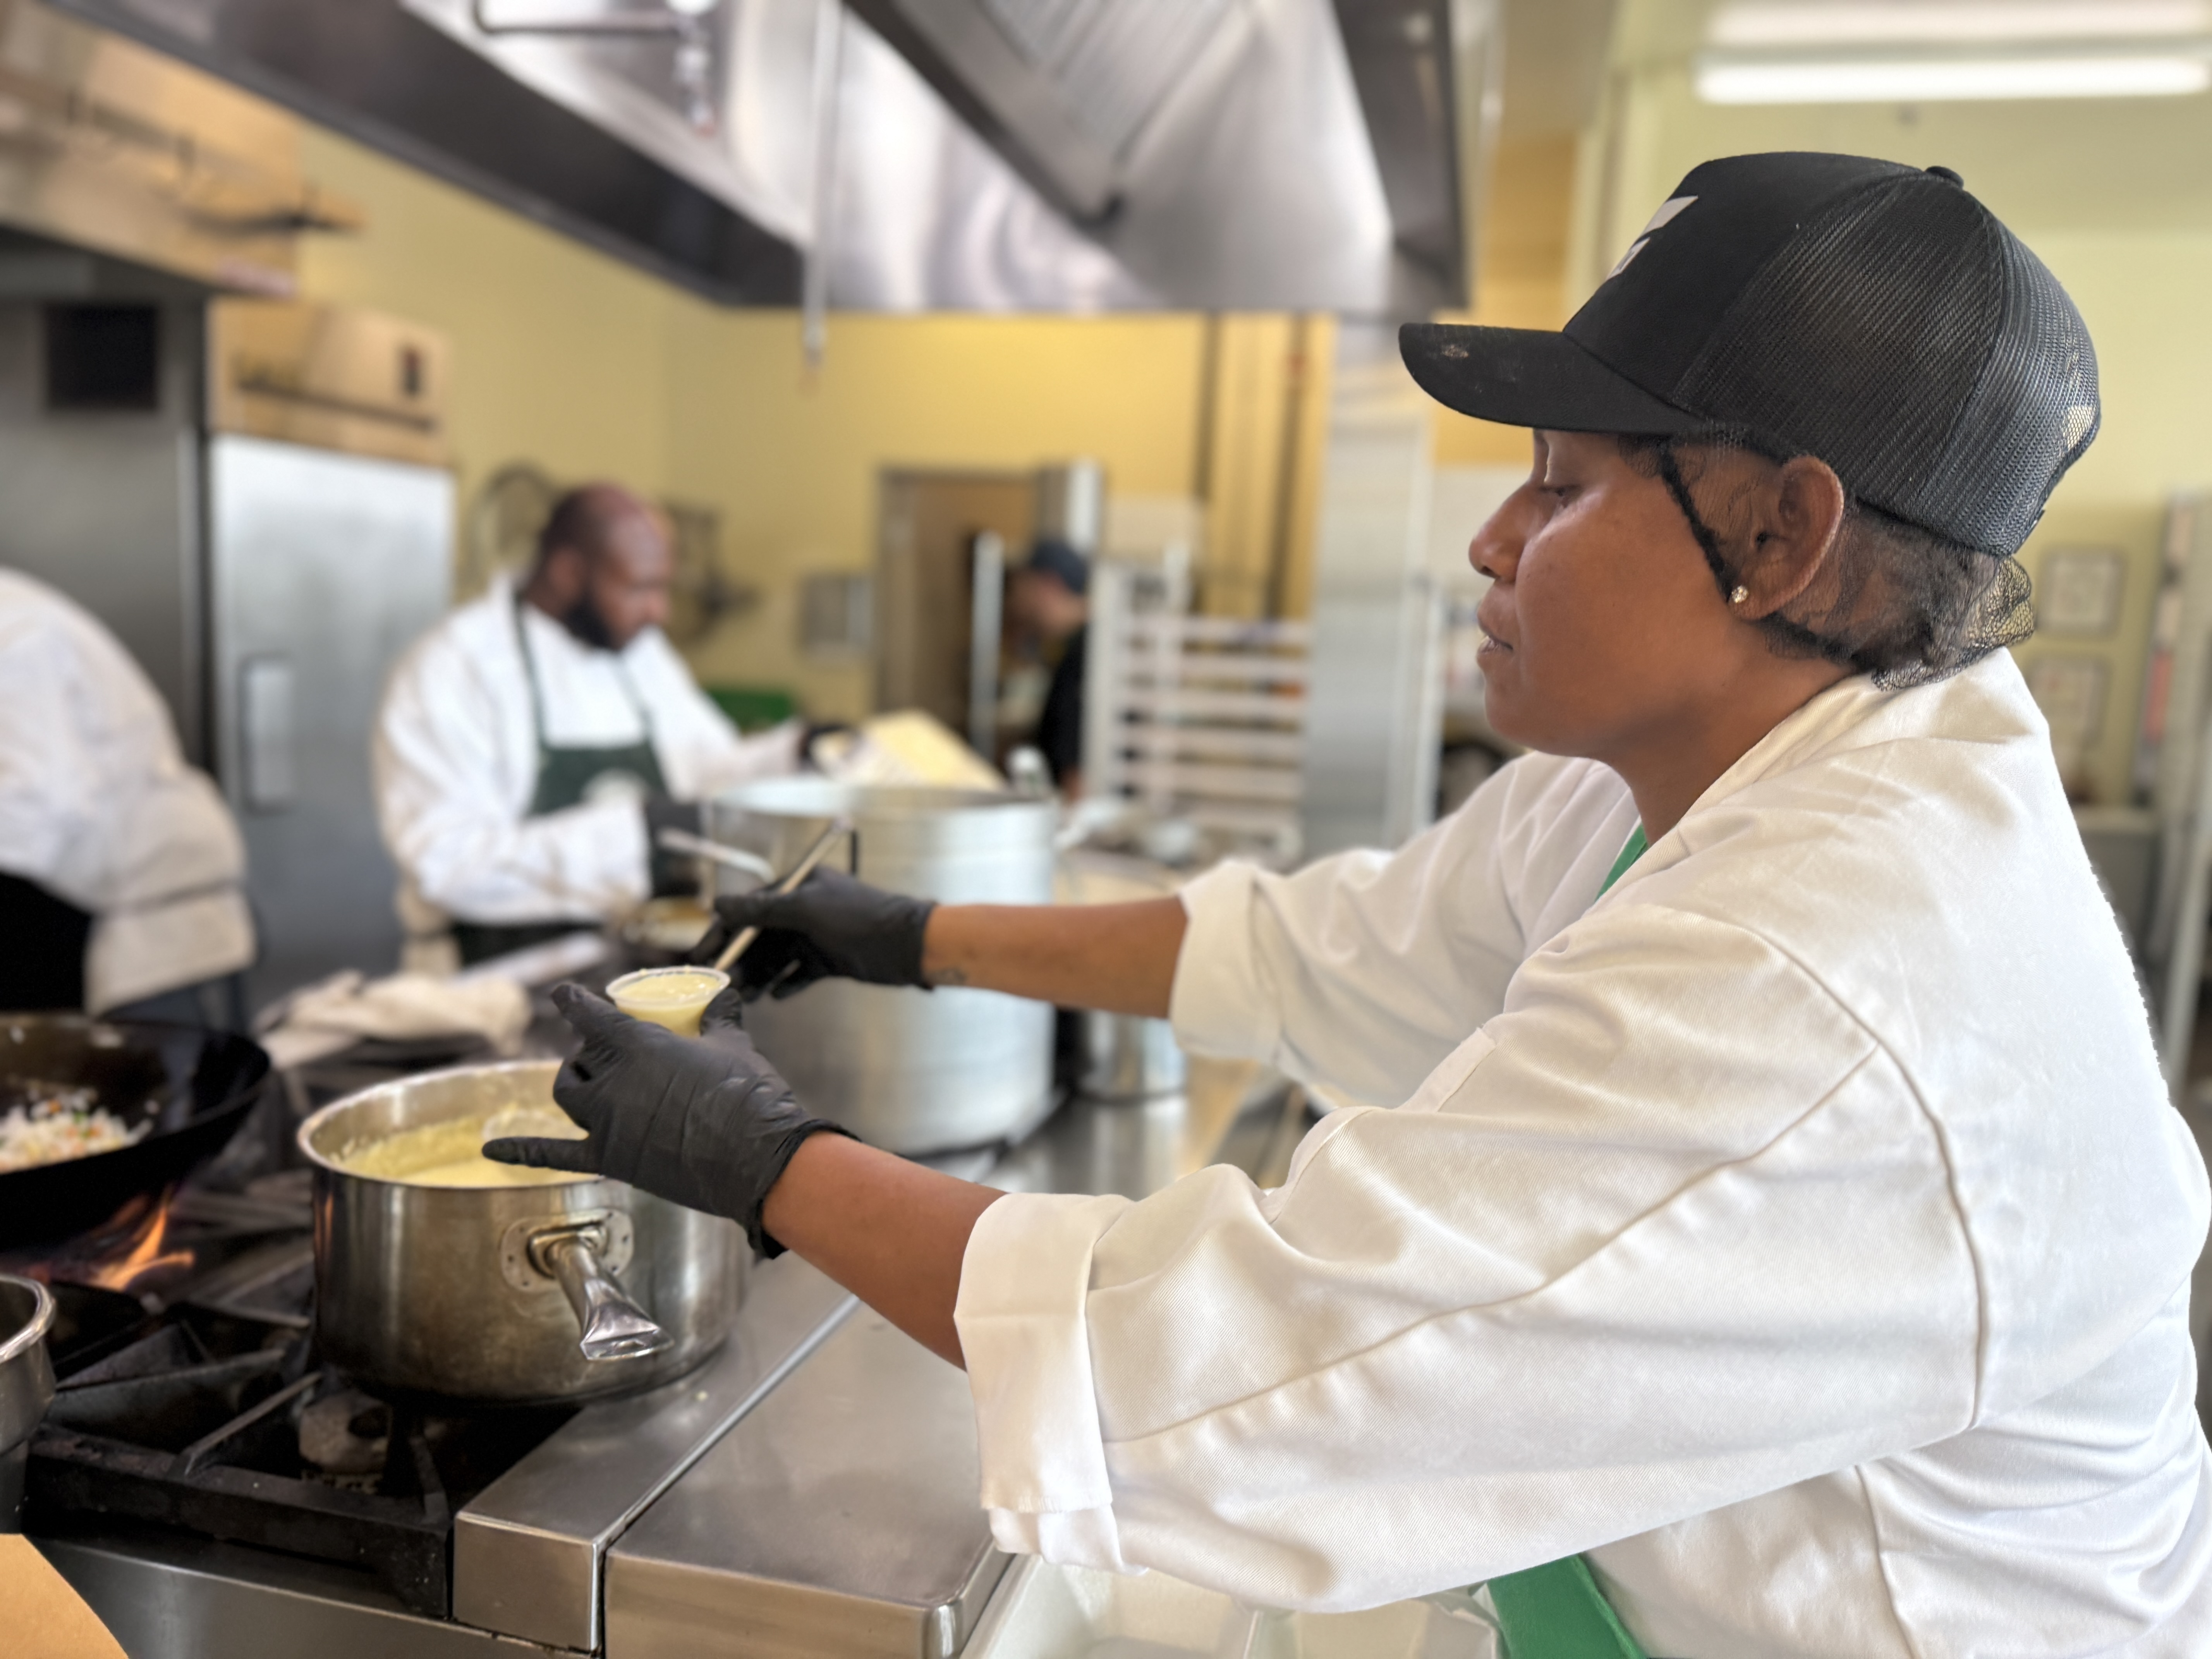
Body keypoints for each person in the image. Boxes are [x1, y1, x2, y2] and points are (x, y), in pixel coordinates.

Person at [487, 155, 2212, 1653]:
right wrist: (912, 932)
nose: (1491, 538)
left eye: (1561, 481)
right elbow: (1334, 941)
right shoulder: (1701, 768)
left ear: (1779, 534)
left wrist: (765, 1160)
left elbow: (1238, 1362)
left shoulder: (1830, 976)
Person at [374, 483, 802, 969]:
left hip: (640, 970)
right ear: (569, 573)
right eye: (639, 588)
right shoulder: (452, 668)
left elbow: (709, 766)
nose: (658, 611)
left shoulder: (639, 654)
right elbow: (447, 865)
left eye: (664, 587)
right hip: (497, 987)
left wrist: (796, 753)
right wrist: (643, 834)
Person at [0, 567, 253, 1022]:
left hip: (143, 926)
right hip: (60, 913)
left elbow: (33, 813)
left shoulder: (14, 629)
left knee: (143, 1085)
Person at [1009, 537, 1090, 793]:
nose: (1017, 600)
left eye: (1024, 586)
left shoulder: (1085, 659)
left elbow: (1077, 776)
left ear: (1048, 586)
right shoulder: (1073, 648)